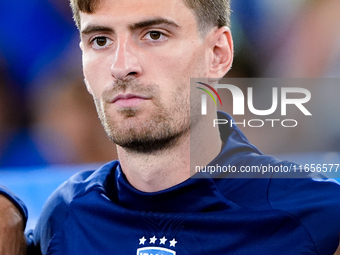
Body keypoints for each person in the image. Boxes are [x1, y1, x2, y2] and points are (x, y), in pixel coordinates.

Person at [1, 0, 340, 254]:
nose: (121, 66)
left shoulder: (321, 217)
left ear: (218, 54)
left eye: (153, 35)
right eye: (100, 40)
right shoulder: (65, 218)